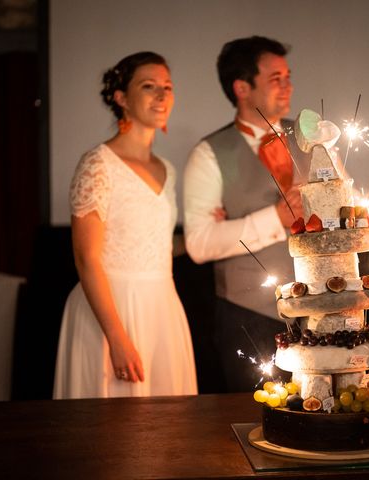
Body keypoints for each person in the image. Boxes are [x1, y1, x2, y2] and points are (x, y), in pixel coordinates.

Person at [54, 52, 198, 399]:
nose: (162, 95)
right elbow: (86, 259)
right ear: (121, 98)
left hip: (162, 307)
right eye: (148, 86)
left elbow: (153, 245)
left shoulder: (167, 168)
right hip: (110, 311)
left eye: (167, 86)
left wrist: (203, 237)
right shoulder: (97, 164)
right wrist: (116, 339)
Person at [183, 36, 310, 392]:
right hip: (250, 315)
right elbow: (199, 243)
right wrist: (275, 218)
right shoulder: (209, 154)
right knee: (255, 421)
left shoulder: (311, 139)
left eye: (288, 76)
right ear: (242, 87)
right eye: (276, 78)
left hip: (319, 308)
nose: (288, 86)